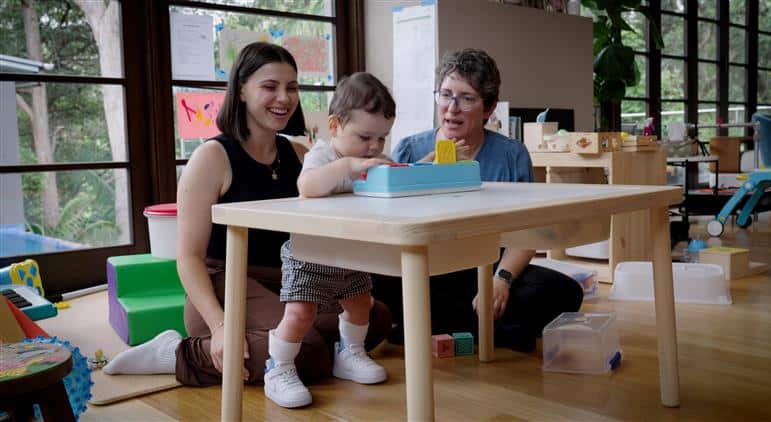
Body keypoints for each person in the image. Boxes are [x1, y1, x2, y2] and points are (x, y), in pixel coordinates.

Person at [102, 43, 392, 389]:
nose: (284, 98)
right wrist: (219, 325)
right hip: (226, 282)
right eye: (270, 86)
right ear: (241, 90)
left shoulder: (299, 154)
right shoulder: (212, 157)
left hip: (288, 279)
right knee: (305, 350)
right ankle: (179, 352)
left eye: (292, 87)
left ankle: (298, 349)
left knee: (376, 316)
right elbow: (189, 258)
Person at [371, 48, 584, 352]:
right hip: (425, 268)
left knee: (565, 292)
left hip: (485, 267)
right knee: (373, 279)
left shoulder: (511, 154)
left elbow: (527, 232)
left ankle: (424, 328)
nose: (452, 108)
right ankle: (495, 333)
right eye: (445, 95)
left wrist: (502, 280)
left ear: (489, 108)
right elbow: (389, 223)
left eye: (466, 98)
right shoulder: (410, 150)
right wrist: (427, 169)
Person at [264, 72, 395, 408]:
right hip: (310, 254)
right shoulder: (323, 155)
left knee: (361, 305)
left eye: (381, 138)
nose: (374, 147)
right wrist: (347, 165)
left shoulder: (370, 161)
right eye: (364, 136)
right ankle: (278, 368)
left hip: (350, 253)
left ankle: (350, 353)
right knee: (300, 314)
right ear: (334, 126)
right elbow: (307, 186)